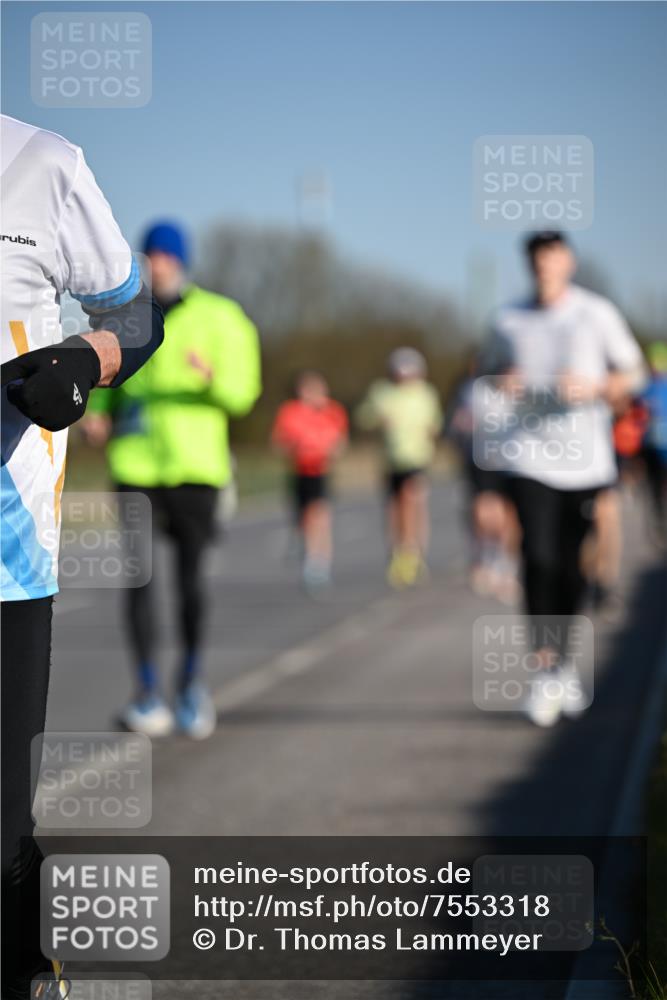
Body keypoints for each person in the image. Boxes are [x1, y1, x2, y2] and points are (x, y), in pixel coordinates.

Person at [1, 114, 164, 999]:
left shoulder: (42, 164)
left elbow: (138, 313)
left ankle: (26, 970)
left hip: (6, 557)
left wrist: (88, 357)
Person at [83, 221, 261, 740]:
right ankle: (145, 692)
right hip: (136, 465)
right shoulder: (125, 317)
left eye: (166, 254)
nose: (157, 262)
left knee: (189, 584)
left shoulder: (223, 317)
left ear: (182, 260)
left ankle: (189, 684)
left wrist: (210, 378)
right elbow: (108, 377)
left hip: (195, 468)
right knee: (139, 583)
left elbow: (244, 392)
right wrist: (97, 409)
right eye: (151, 254)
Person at [480, 231, 645, 726]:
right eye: (536, 261)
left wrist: (597, 386)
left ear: (568, 262)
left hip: (584, 460)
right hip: (527, 457)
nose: (545, 269)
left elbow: (633, 374)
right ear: (529, 265)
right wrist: (502, 381)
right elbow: (482, 374)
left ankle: (565, 662)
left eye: (552, 260)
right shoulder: (507, 319)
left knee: (572, 566)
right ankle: (543, 669)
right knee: (537, 556)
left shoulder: (596, 313)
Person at [356, 348, 442, 588]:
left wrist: (429, 432)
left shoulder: (426, 393)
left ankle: (414, 551)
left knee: (412, 501)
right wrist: (378, 419)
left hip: (417, 457)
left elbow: (434, 423)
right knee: (394, 507)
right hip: (391, 459)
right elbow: (364, 417)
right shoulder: (382, 392)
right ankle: (398, 550)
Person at [445, 357, 521, 604]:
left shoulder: (522, 389)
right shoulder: (476, 391)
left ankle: (507, 565)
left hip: (514, 462)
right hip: (482, 461)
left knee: (510, 515)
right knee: (486, 511)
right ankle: (487, 558)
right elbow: (464, 424)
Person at [271, 371, 348, 589]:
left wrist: (330, 449)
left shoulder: (332, 411)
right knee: (302, 518)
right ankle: (306, 547)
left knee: (320, 516)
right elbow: (278, 443)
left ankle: (318, 564)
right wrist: (293, 446)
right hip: (299, 472)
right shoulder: (290, 412)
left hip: (321, 472)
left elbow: (341, 442)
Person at [641, 340, 667, 545]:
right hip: (651, 446)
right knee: (655, 486)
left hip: (662, 446)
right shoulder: (645, 386)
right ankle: (659, 521)